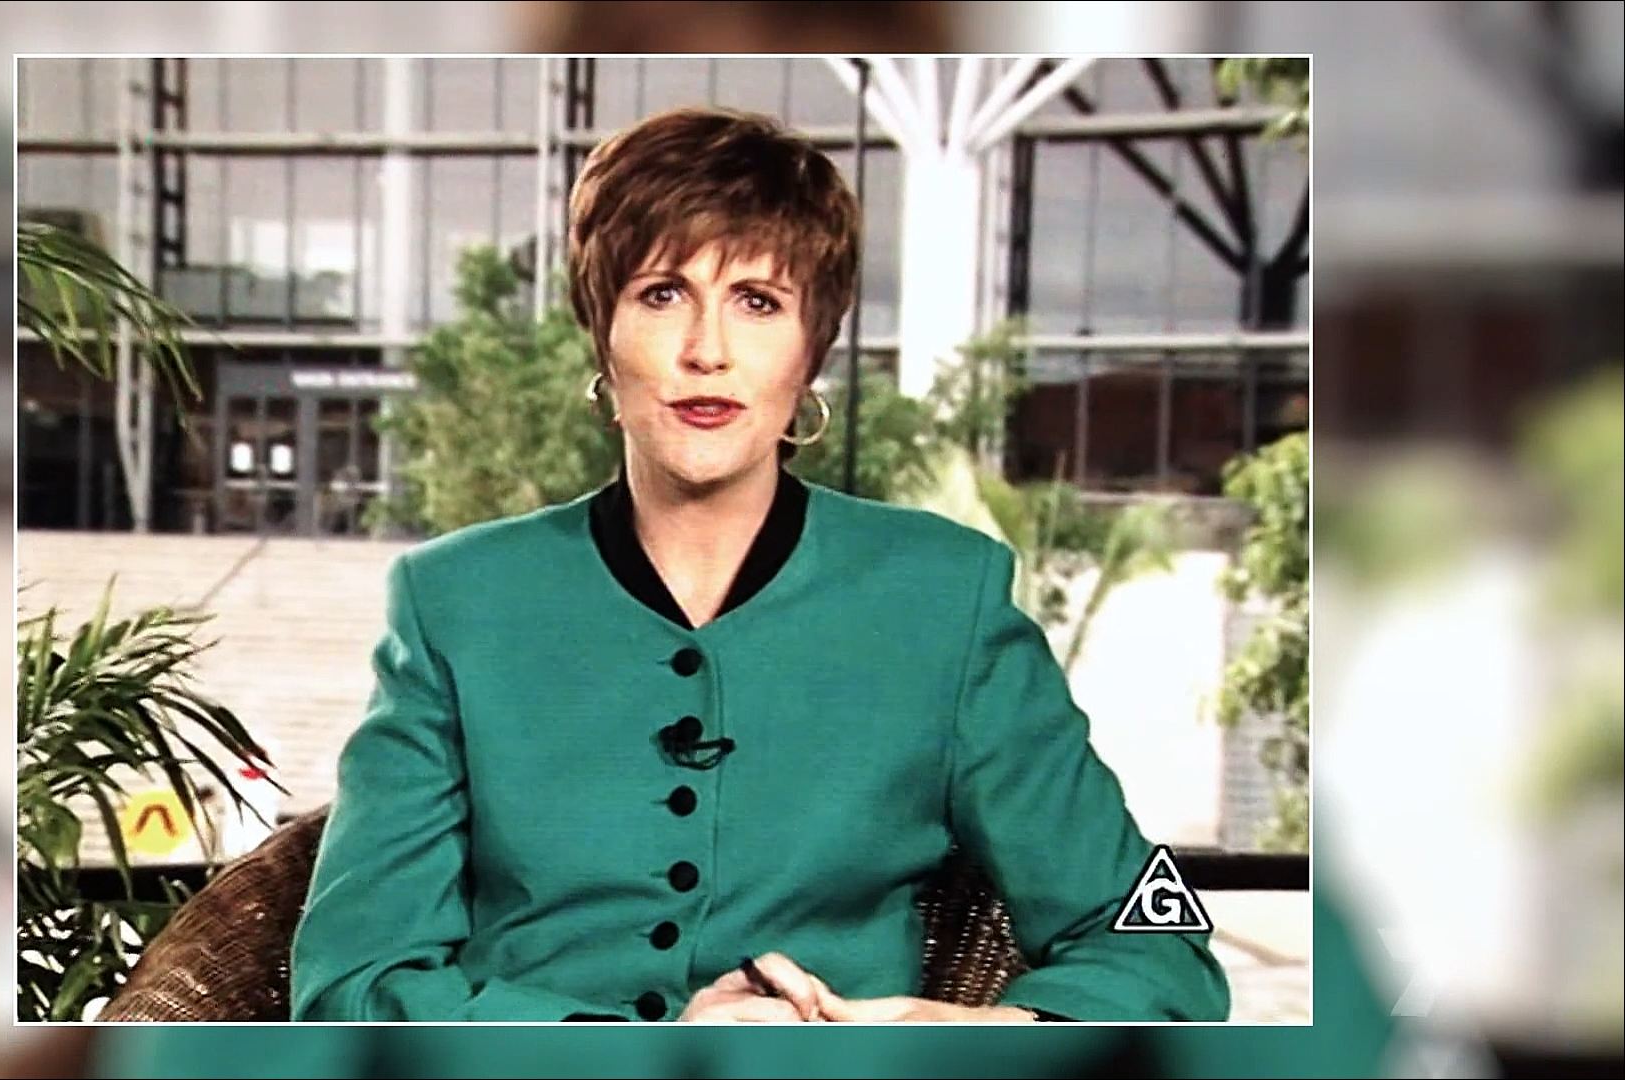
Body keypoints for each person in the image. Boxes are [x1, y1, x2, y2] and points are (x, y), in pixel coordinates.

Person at [288, 105, 1230, 1024]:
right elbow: (349, 982)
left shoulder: (947, 597)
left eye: (758, 302)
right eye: (662, 295)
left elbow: (1160, 950)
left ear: (811, 349)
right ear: (602, 332)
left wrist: (976, 1035)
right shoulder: (455, 601)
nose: (707, 351)